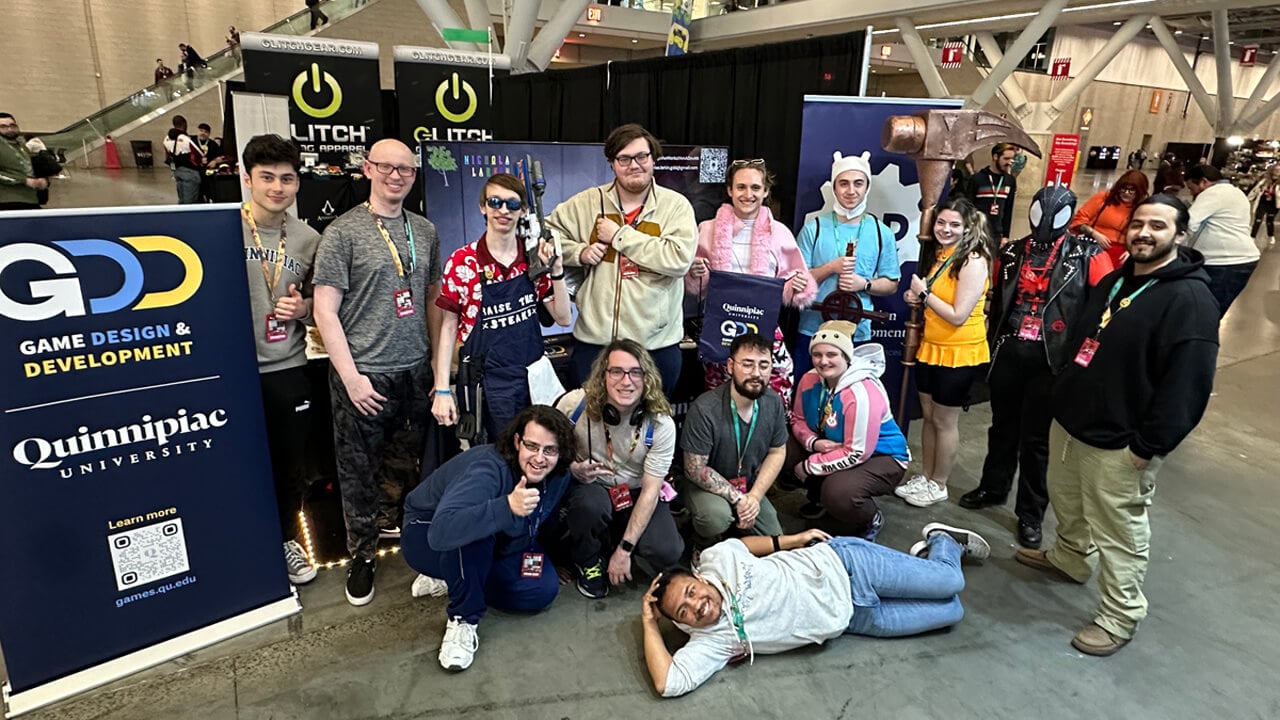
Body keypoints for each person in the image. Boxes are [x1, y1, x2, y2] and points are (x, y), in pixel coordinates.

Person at [1016, 195, 1219, 656]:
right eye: (1138, 223)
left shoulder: (1189, 300)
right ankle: (1070, 558)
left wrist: (1148, 446)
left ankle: (1120, 615)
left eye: (1158, 226)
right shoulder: (1117, 280)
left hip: (1120, 441)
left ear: (1181, 235)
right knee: (1067, 501)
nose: (1144, 233)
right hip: (1073, 422)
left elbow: (1187, 386)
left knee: (1118, 531)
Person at [640, 522, 990, 697]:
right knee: (951, 612)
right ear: (684, 625)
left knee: (950, 581)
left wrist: (790, 540)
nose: (697, 606)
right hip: (854, 617)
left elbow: (741, 545)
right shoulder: (712, 641)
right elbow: (667, 682)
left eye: (691, 592)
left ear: (698, 578)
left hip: (847, 565)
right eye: (684, 612)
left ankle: (942, 540)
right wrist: (649, 623)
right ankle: (924, 564)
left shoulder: (716, 560)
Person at [313, 138, 443, 607]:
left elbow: (432, 298)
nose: (396, 176)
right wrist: (351, 378)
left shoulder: (424, 231)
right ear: (367, 169)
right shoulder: (343, 233)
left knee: (405, 463)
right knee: (358, 471)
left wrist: (436, 364)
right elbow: (324, 311)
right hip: (364, 373)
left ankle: (398, 531)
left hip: (414, 370)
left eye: (405, 169)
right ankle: (362, 554)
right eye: (386, 167)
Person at [961, 186, 1113, 549]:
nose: (1044, 219)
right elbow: (997, 300)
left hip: (1052, 357)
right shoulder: (1012, 252)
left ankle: (1031, 512)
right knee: (1002, 427)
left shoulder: (1087, 254)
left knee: (1036, 439)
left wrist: (1082, 360)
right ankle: (993, 486)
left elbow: (1102, 309)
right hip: (1010, 348)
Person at [402, 406, 577, 671]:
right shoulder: (487, 468)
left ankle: (459, 578)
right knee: (475, 533)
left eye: (550, 450)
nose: (539, 458)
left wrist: (553, 557)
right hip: (426, 534)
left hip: (503, 541)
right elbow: (441, 531)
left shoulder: (558, 475)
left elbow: (544, 518)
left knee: (541, 589)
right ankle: (463, 617)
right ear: (517, 441)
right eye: (532, 446)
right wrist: (506, 507)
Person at [546, 123, 697, 393]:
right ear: (612, 163)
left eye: (641, 156)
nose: (634, 165)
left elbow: (678, 259)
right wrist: (578, 252)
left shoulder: (676, 206)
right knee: (591, 418)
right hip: (595, 345)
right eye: (624, 159)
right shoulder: (586, 202)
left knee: (651, 419)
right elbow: (545, 236)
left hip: (656, 347)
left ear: (653, 159)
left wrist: (620, 236)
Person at [238, 134, 323, 585]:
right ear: (247, 178)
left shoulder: (308, 238)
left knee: (290, 464)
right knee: (239, 461)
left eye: (286, 179)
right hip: (232, 368)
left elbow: (322, 302)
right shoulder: (221, 227)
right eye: (267, 177)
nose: (277, 187)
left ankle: (288, 537)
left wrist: (304, 308)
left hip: (286, 364)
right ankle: (243, 540)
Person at [432, 173, 571, 440]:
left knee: (541, 449)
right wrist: (442, 389)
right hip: (488, 384)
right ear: (482, 207)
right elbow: (448, 327)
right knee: (499, 454)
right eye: (495, 202)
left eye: (512, 204)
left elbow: (563, 318)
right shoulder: (462, 262)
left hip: (534, 379)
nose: (503, 210)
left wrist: (556, 271)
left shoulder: (533, 259)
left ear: (524, 211)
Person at [552, 340, 684, 598]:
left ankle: (617, 541)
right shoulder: (575, 405)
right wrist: (573, 468)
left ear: (647, 378)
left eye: (635, 372)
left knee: (667, 551)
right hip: (593, 487)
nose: (626, 381)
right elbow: (547, 450)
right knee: (589, 506)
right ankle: (588, 559)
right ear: (603, 375)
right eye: (617, 371)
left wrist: (624, 551)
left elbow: (650, 492)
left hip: (637, 492)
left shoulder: (661, 424)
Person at [686, 158, 816, 410]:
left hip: (764, 325)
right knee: (720, 397)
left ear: (765, 191)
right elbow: (696, 283)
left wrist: (797, 284)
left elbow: (794, 282)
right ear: (729, 190)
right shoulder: (707, 229)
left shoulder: (780, 232)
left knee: (776, 389)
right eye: (741, 187)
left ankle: (771, 434)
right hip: (721, 329)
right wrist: (695, 272)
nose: (748, 194)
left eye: (755, 187)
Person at [895, 197, 992, 508]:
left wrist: (924, 294)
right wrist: (917, 297)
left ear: (967, 227)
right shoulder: (939, 255)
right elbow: (934, 298)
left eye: (954, 224)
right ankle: (926, 476)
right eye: (941, 222)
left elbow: (958, 315)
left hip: (959, 351)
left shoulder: (973, 260)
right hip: (931, 347)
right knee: (928, 416)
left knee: (944, 420)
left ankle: (939, 483)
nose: (946, 229)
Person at [790, 322, 909, 535]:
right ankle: (820, 500)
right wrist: (813, 442)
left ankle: (869, 517)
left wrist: (809, 466)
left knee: (839, 494)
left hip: (880, 456)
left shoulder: (861, 393)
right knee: (783, 449)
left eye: (831, 354)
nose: (823, 361)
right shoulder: (809, 379)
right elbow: (797, 419)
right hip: (833, 445)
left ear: (846, 356)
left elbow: (857, 452)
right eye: (817, 354)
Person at [794, 151, 901, 379]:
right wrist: (830, 268)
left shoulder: (882, 233)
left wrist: (864, 284)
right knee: (808, 391)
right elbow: (796, 282)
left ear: (867, 187)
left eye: (858, 183)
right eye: (843, 183)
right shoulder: (814, 229)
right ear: (834, 187)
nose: (851, 191)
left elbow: (891, 283)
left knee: (852, 395)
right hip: (813, 330)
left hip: (858, 333)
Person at [680, 333, 788, 547]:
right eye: (747, 364)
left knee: (774, 538)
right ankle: (702, 541)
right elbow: (695, 469)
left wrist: (754, 497)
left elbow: (778, 451)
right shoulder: (705, 408)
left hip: (747, 485)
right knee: (715, 518)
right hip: (702, 487)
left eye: (764, 365)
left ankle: (737, 529)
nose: (756, 373)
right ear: (730, 366)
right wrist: (739, 499)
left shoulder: (773, 402)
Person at [1183, 164, 1260, 316]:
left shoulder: (1213, 193)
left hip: (1224, 262)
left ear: (1203, 182)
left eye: (1192, 188)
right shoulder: (1236, 192)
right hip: (1241, 260)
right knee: (1213, 311)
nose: (1192, 194)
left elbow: (1190, 223)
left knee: (1203, 313)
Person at [1071, 169, 1149, 268]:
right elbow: (1078, 220)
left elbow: (1146, 235)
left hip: (1122, 254)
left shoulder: (1144, 208)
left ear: (1140, 192)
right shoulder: (1103, 198)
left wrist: (1132, 251)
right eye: (1123, 189)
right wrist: (1094, 233)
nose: (1126, 193)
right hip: (1092, 247)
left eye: (1131, 190)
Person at [966, 143, 1018, 246]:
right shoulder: (977, 179)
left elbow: (1008, 209)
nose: (1009, 162)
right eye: (1006, 159)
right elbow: (968, 206)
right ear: (995, 156)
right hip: (977, 231)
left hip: (997, 234)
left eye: (1012, 159)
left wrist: (1006, 235)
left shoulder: (1010, 180)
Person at [0, 113, 45, 211]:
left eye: (12, 125)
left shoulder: (21, 145)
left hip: (30, 199)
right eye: (3, 127)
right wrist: (24, 180)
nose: (9, 129)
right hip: (7, 201)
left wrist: (40, 181)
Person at [162, 116, 203, 204]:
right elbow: (199, 154)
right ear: (184, 124)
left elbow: (167, 154)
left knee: (182, 199)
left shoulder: (166, 139)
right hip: (190, 172)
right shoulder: (185, 139)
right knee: (190, 201)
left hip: (177, 172)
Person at [1247, 163, 1279, 248]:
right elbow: (1256, 189)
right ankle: (1252, 237)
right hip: (1262, 202)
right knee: (1258, 219)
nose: (1277, 172)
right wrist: (1250, 198)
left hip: (1273, 204)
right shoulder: (1265, 181)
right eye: (1276, 170)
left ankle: (1271, 235)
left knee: (1269, 221)